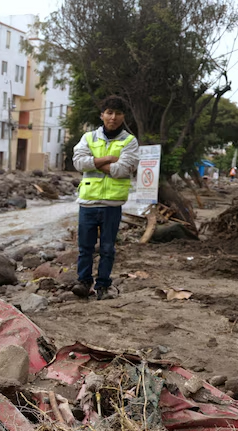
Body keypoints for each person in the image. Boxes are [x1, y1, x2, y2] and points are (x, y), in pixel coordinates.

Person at [71, 95, 139, 300]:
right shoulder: (89, 137)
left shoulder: (129, 141)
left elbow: (123, 169)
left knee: (108, 248)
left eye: (118, 113)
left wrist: (94, 161)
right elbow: (78, 163)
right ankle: (83, 282)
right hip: (88, 201)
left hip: (112, 203)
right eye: (109, 112)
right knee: (85, 248)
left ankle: (103, 285)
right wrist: (108, 158)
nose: (113, 117)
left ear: (123, 116)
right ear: (102, 115)